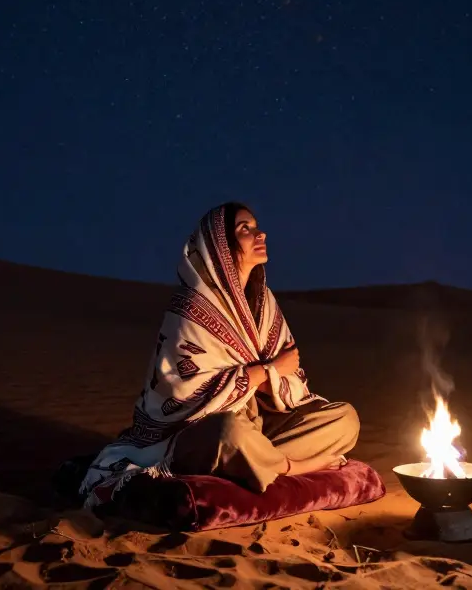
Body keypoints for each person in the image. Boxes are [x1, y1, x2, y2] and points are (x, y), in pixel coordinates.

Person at [78, 202, 360, 507]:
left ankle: (258, 462)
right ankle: (294, 467)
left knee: (345, 419)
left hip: (260, 425)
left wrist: (270, 376)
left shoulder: (264, 303)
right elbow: (180, 393)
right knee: (228, 433)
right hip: (197, 431)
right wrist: (266, 372)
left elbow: (291, 375)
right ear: (221, 246)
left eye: (255, 226)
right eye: (245, 229)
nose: (260, 233)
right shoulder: (191, 307)